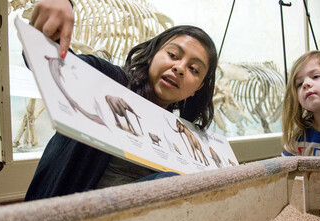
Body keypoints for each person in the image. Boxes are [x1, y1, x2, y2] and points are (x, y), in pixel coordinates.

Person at [24, 0, 218, 201]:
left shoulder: (182, 138)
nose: (179, 68)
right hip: (67, 216)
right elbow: (49, 59)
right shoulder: (108, 81)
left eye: (194, 69)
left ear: (198, 88)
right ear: (152, 55)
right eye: (172, 55)